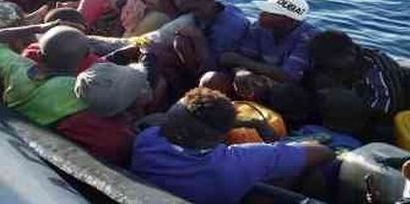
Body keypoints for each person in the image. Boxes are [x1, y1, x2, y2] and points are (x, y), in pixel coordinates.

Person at [130, 87, 335, 204]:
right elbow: (325, 153)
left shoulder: (147, 139)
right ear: (220, 136)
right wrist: (256, 126)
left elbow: (168, 122)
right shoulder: (244, 160)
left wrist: (237, 123)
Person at [307, 30, 404, 138]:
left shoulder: (378, 69)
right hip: (336, 115)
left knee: (340, 98)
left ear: (350, 53)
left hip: (376, 123)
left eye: (334, 67)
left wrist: (340, 97)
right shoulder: (327, 63)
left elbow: (386, 108)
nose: (329, 70)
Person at [220, 0, 318, 101]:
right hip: (260, 76)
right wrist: (241, 72)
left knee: (282, 92)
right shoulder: (258, 27)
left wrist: (241, 62)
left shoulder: (308, 37)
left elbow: (288, 76)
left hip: (293, 88)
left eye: (269, 12)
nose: (261, 14)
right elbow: (237, 58)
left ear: (288, 20)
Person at [59, 62, 153, 165]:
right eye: (141, 87)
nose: (147, 84)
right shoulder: (123, 140)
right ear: (130, 103)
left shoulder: (75, 119)